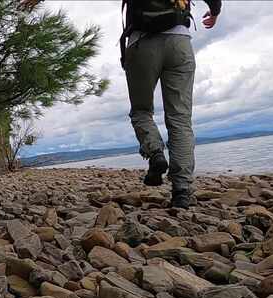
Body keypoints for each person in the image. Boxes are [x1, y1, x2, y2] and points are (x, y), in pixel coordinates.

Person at [20, 0, 222, 209]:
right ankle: (181, 191)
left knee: (141, 111)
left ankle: (155, 153)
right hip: (179, 42)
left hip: (141, 44)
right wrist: (215, 11)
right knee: (179, 118)